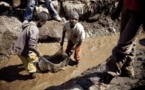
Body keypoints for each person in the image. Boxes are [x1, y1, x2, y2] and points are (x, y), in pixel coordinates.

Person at [89, 0, 145, 90]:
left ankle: (106, 80)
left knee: (123, 45)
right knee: (129, 40)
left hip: (139, 12)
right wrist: (119, 8)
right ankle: (127, 67)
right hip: (126, 6)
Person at [14, 11, 48, 79]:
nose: (42, 25)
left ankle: (33, 66)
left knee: (33, 58)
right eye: (43, 23)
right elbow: (31, 46)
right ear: (40, 21)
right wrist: (38, 52)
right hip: (22, 49)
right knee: (30, 65)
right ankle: (32, 75)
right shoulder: (34, 29)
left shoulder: (29, 24)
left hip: (19, 46)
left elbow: (24, 24)